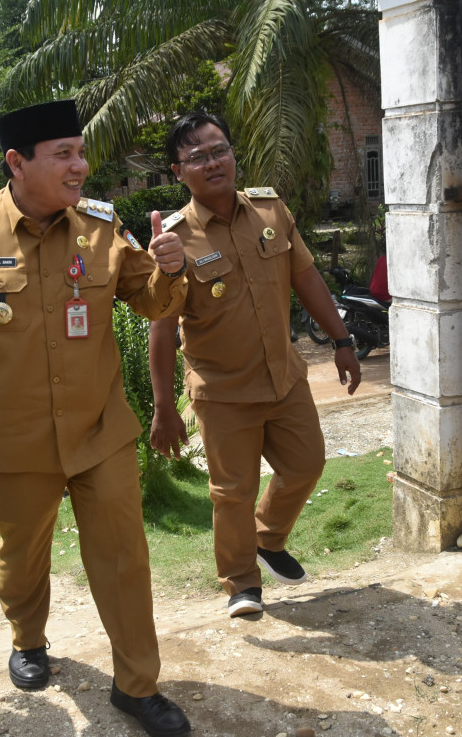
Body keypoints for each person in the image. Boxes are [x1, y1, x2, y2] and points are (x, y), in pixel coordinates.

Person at [0, 99, 192, 737]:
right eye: (62, 154)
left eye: (80, 151)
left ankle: (136, 686)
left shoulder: (99, 226)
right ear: (18, 162)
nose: (80, 166)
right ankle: (27, 637)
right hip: (15, 440)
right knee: (23, 552)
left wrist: (171, 267)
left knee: (124, 558)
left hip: (99, 431)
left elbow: (150, 300)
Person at [147, 112, 362, 618]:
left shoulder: (270, 210)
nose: (212, 162)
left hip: (284, 378)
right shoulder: (176, 240)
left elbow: (306, 278)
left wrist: (342, 339)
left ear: (233, 153)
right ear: (179, 172)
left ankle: (268, 538)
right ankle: (242, 583)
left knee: (307, 464)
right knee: (231, 493)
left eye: (219, 149)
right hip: (223, 391)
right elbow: (160, 327)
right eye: (196, 157)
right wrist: (163, 406)